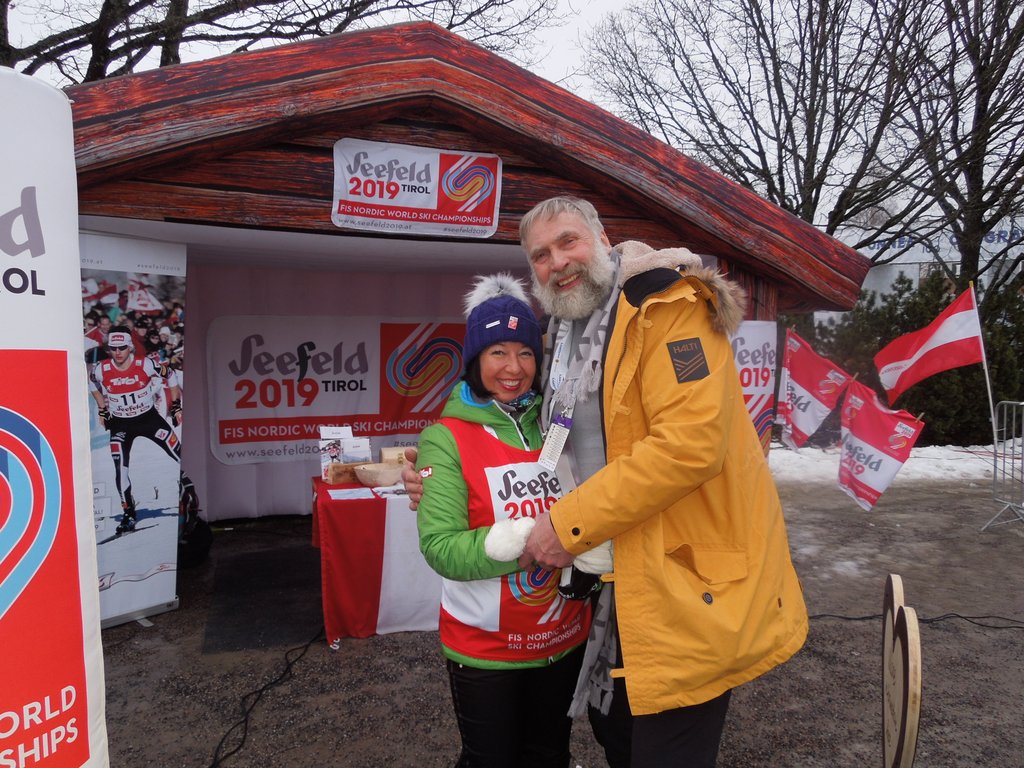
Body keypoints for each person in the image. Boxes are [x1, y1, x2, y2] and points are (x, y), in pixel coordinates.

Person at [406, 196, 809, 768]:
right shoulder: (565, 331)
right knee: (616, 733)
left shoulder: (667, 308)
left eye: (568, 241)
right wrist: (434, 474)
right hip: (615, 581)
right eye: (540, 255)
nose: (557, 262)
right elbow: (543, 442)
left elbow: (689, 445)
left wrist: (565, 529)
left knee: (659, 749)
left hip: (681, 577)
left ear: (601, 238)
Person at [415, 273, 592, 768]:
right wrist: (527, 541)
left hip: (562, 637)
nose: (513, 368)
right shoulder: (445, 437)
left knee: (550, 754)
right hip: (486, 649)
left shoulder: (560, 423)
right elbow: (441, 548)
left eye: (526, 352)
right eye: (498, 352)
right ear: (474, 360)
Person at [90, 326, 184, 534]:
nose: (118, 352)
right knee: (120, 468)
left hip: (148, 419)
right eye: (113, 348)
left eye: (122, 347)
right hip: (121, 424)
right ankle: (128, 513)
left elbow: (171, 375)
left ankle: (189, 494)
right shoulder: (101, 369)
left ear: (130, 347)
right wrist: (102, 409)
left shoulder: (146, 364)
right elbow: (93, 384)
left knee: (178, 453)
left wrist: (176, 404)